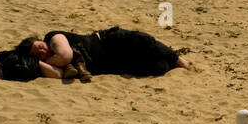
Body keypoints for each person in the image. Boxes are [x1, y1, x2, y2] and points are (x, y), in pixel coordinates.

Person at [15, 27, 193, 79]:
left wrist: (49, 60)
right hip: (114, 64)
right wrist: (39, 64)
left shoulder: (53, 37)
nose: (41, 50)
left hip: (108, 42)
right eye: (37, 54)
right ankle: (171, 63)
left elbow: (66, 56)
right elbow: (58, 74)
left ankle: (178, 58)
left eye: (39, 46)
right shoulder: (51, 63)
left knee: (144, 41)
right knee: (158, 67)